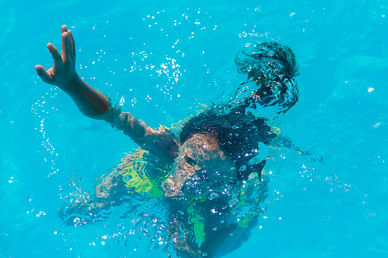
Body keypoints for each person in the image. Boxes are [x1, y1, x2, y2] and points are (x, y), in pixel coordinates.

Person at [35, 25, 299, 257]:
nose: (183, 177)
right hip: (205, 129)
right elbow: (113, 115)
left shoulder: (225, 197)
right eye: (189, 160)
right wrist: (72, 84)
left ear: (226, 176)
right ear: (180, 149)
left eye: (201, 172)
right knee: (127, 175)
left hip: (237, 154)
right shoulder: (168, 147)